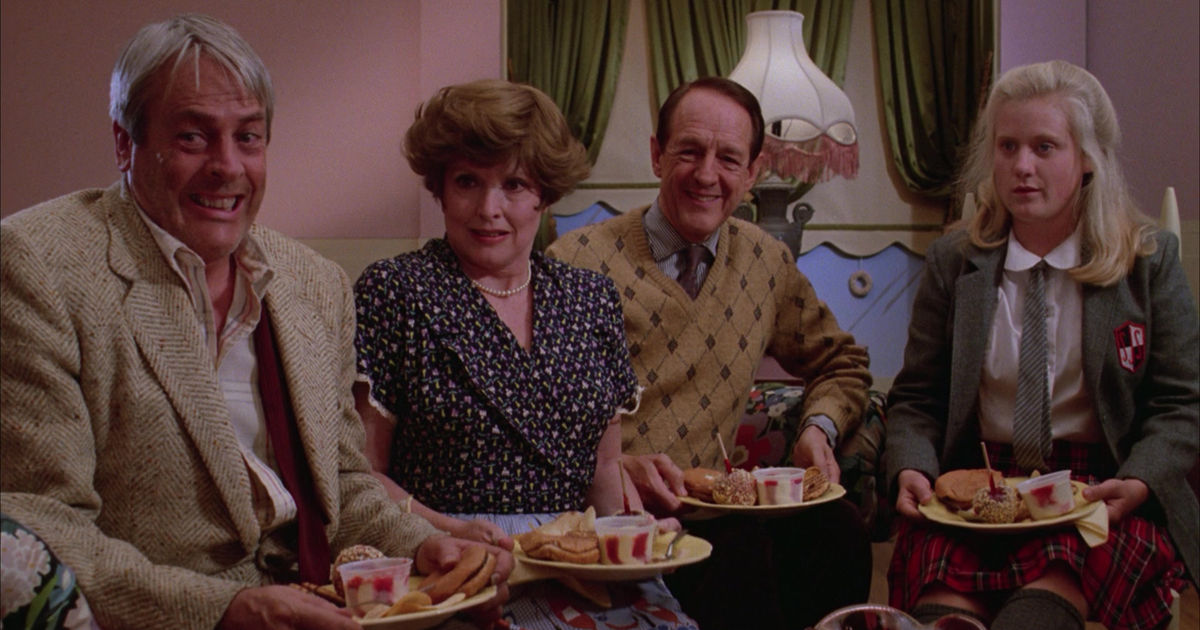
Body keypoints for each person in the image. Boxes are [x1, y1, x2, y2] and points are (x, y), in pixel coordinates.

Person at [0, 14, 510, 630]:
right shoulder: (37, 265)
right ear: (124, 143)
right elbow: (43, 523)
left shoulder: (315, 284)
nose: (227, 166)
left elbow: (343, 485)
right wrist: (224, 610)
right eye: (193, 137)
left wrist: (424, 545)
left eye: (248, 137)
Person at [352, 78, 696, 630]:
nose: (489, 209)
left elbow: (605, 468)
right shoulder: (394, 291)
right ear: (440, 188)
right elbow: (365, 474)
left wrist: (633, 537)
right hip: (450, 562)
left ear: (545, 193)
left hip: (578, 558)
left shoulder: (591, 299)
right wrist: (444, 531)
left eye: (513, 184)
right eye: (467, 182)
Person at [546, 76, 875, 629]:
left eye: (728, 159)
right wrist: (609, 467)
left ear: (752, 172)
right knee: (741, 560)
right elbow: (530, 416)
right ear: (657, 154)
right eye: (689, 152)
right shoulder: (576, 261)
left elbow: (842, 363)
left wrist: (817, 428)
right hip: (609, 517)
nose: (706, 175)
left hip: (716, 513)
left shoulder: (767, 262)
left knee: (837, 530)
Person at [885, 60, 1198, 630]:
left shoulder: (1147, 264)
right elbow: (916, 399)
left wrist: (1138, 481)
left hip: (1099, 495)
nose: (1022, 167)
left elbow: (1181, 406)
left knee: (1033, 615)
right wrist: (911, 465)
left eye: (1044, 147)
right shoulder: (954, 263)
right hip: (977, 493)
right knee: (940, 620)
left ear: (1087, 159)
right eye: (1007, 147)